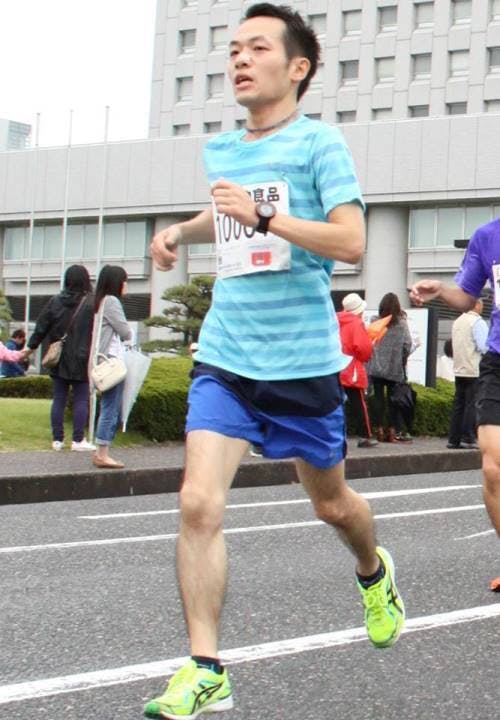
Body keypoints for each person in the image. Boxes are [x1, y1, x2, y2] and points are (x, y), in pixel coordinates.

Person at [144, 5, 405, 718]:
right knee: (198, 502)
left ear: (297, 68)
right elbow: (228, 216)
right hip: (228, 354)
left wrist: (265, 217)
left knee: (332, 505)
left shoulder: (321, 144)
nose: (239, 59)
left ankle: (373, 570)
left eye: (257, 47)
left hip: (302, 363)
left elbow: (351, 242)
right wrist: (182, 231)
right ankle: (206, 668)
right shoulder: (223, 149)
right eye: (233, 49)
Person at [410, 216, 500, 591]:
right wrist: (442, 290)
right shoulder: (487, 236)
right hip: (497, 361)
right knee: (493, 467)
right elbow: (468, 296)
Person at [27, 265, 96, 452]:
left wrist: (31, 347)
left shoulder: (55, 301)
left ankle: (57, 440)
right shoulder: (92, 303)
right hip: (83, 358)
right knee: (81, 399)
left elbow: (41, 326)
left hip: (58, 358)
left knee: (59, 399)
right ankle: (78, 440)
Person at [91, 265, 132, 470]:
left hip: (103, 361)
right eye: (125, 281)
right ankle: (102, 453)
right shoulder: (111, 301)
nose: (126, 285)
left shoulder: (100, 301)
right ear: (117, 283)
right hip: (111, 363)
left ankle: (101, 452)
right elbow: (125, 331)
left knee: (108, 406)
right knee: (111, 407)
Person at [368, 292, 413, 443]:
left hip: (376, 367)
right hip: (395, 367)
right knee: (394, 400)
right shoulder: (401, 324)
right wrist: (402, 358)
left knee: (378, 398)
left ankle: (379, 429)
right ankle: (393, 431)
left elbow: (369, 341)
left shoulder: (375, 321)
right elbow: (407, 344)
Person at [337, 293, 378, 448]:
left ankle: (336, 435)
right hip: (352, 369)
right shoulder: (356, 323)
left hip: (335, 368)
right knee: (358, 404)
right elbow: (363, 348)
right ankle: (364, 436)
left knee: (335, 404)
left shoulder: (335, 320)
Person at [446, 299, 488, 450]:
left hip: (459, 368)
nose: (482, 307)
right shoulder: (477, 322)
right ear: (476, 305)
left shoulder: (458, 321)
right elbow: (483, 346)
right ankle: (468, 437)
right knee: (472, 404)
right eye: (481, 303)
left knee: (459, 404)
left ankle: (453, 439)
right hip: (473, 368)